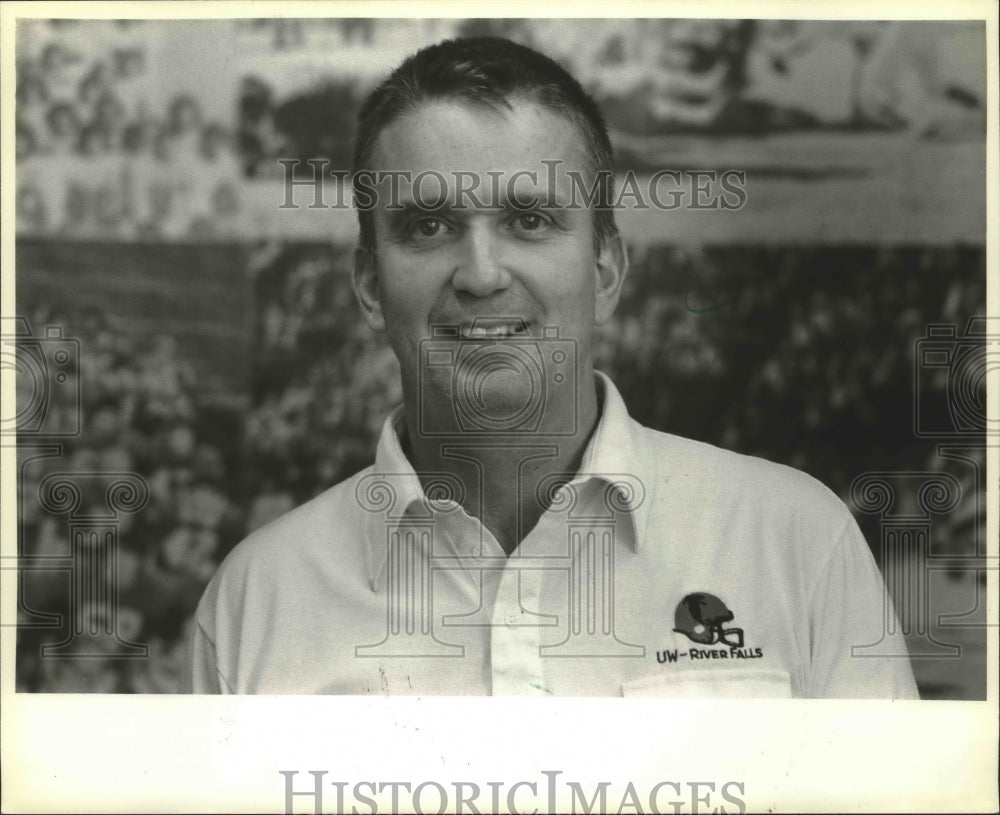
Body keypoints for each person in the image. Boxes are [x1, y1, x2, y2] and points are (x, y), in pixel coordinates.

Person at [185, 37, 918, 698]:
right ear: (371, 286)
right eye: (429, 226)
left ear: (605, 269)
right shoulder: (257, 601)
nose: (480, 274)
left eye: (529, 220)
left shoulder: (793, 539)